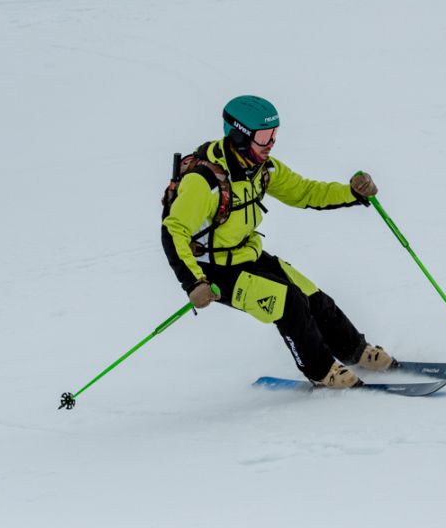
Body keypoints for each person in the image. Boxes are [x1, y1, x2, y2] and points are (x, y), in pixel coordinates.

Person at [161, 95, 392, 388]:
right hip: (213, 271)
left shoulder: (263, 169)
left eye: (274, 134)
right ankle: (322, 372)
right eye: (263, 136)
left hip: (246, 255)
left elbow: (306, 192)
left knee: (313, 297)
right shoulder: (204, 182)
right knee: (288, 303)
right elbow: (173, 231)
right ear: (238, 135)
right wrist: (194, 282)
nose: (270, 143)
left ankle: (355, 351)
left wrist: (352, 192)